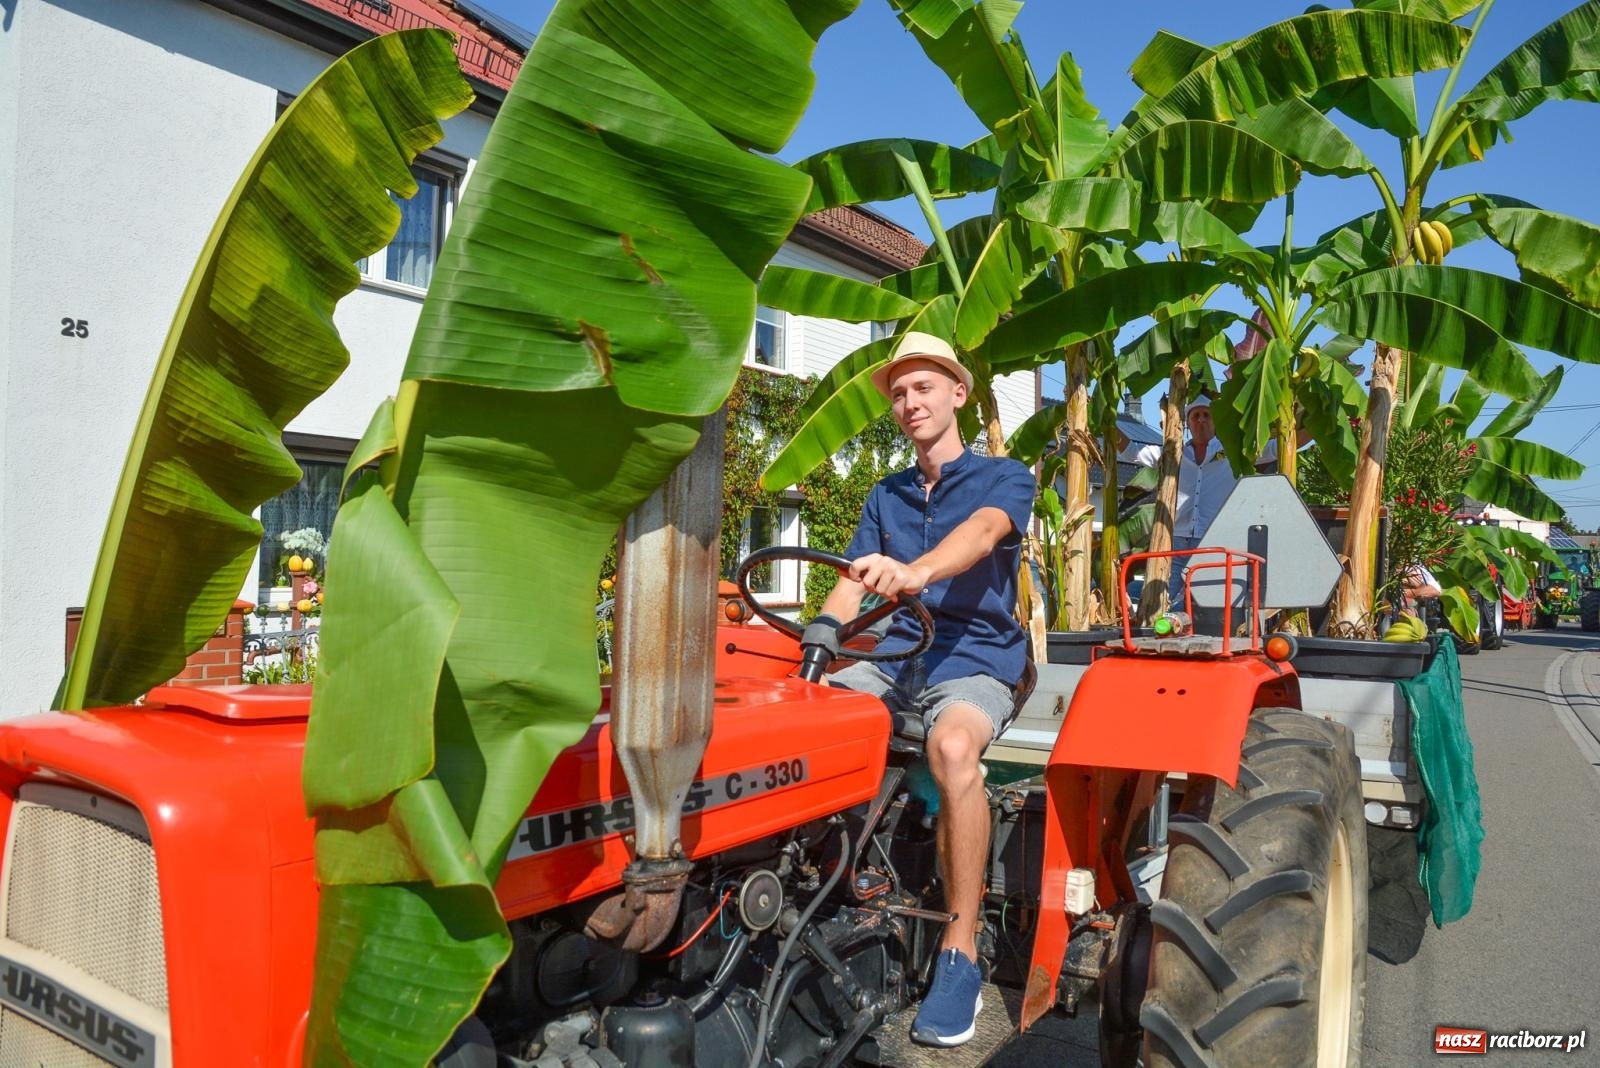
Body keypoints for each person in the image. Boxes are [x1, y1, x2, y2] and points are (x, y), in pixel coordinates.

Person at [805, 331, 1035, 1048]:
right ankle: (812, 894)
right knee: (809, 722)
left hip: (974, 655)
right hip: (897, 653)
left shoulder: (1005, 476)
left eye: (924, 387)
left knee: (952, 745)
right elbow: (850, 580)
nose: (910, 402)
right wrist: (820, 641)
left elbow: (981, 533)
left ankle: (961, 949)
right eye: (899, 393)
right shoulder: (887, 493)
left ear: (958, 393)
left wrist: (918, 571)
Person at [1130, 394, 1278, 594]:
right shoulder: (1174, 454)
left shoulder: (1233, 451)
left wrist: (1311, 428)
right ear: (1187, 424)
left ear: (1215, 421)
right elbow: (1132, 452)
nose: (1201, 420)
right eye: (1195, 416)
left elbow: (1273, 449)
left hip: (1214, 540)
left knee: (1203, 600)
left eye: (1206, 415)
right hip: (1177, 541)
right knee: (1169, 598)